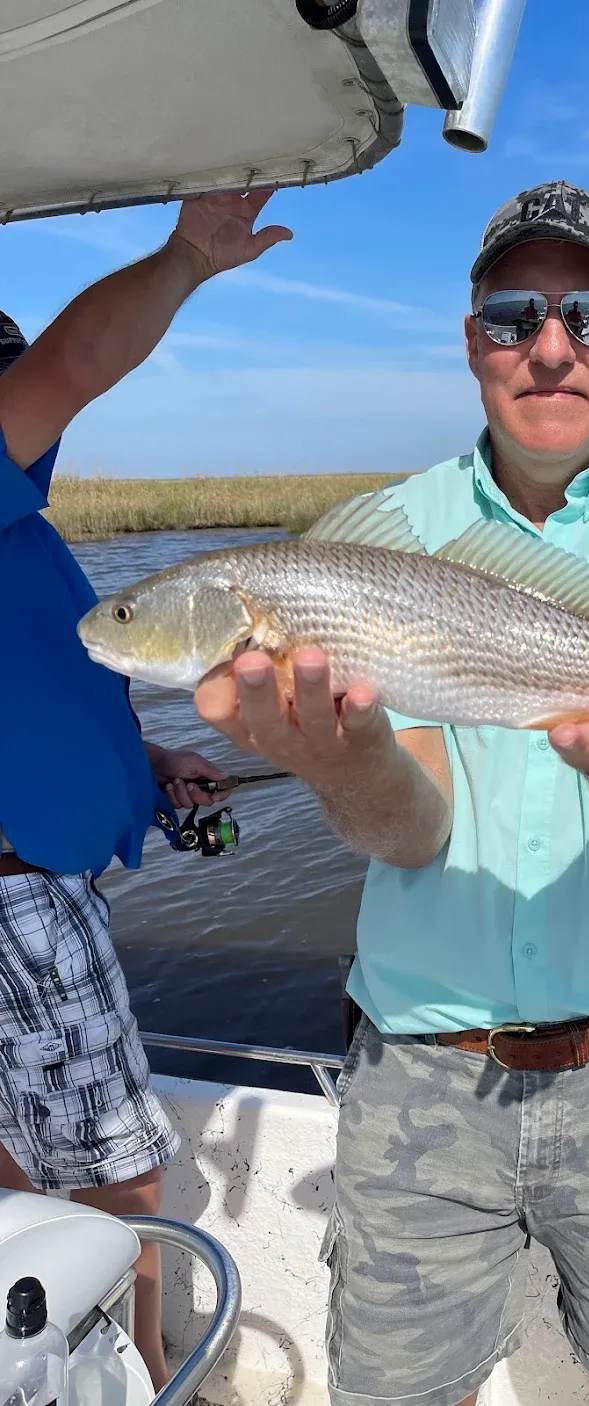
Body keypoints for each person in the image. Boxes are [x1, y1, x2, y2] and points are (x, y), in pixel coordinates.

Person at [195, 179, 589, 1406]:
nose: (553, 346)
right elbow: (409, 828)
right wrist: (341, 757)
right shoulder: (377, 539)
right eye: (516, 314)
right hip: (422, 1070)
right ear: (473, 338)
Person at [0, 190, 292, 1388]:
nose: (39, 414)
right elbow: (80, 355)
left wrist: (153, 763)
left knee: (15, 1158)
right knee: (123, 1175)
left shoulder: (20, 537)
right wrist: (186, 256)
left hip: (29, 875)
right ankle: (151, 1366)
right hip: (24, 900)